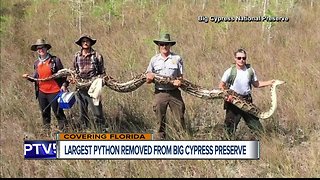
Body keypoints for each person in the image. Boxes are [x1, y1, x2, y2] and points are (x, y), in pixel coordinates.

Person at [219, 48, 275, 140]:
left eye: (244, 58)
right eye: (239, 58)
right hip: (233, 101)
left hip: (247, 102)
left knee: (257, 127)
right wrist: (227, 96)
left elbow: (256, 84)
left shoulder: (250, 71)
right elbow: (221, 85)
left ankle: (264, 143)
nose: (241, 60)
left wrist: (270, 82)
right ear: (235, 58)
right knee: (229, 129)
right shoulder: (229, 71)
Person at [146, 33, 186, 140]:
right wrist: (149, 78)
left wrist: (179, 81)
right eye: (162, 44)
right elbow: (148, 77)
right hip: (160, 93)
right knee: (160, 121)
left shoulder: (177, 58)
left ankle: (181, 141)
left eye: (166, 44)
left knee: (180, 119)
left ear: (170, 45)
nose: (164, 46)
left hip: (174, 93)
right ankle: (160, 145)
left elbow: (181, 76)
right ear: (159, 45)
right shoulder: (154, 60)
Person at [22, 39, 68, 133]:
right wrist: (28, 77)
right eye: (38, 48)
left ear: (46, 48)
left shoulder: (55, 60)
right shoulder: (36, 63)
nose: (40, 50)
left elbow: (64, 75)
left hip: (55, 91)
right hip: (41, 92)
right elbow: (36, 78)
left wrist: (64, 85)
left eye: (42, 47)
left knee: (58, 113)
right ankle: (46, 133)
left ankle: (64, 132)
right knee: (44, 113)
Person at [65, 34, 107, 132]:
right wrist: (72, 79)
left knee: (97, 112)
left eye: (87, 41)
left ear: (90, 43)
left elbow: (102, 73)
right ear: (80, 43)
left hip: (93, 87)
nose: (85, 43)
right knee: (82, 112)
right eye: (83, 41)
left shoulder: (97, 55)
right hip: (80, 88)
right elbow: (74, 70)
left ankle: (101, 132)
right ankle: (85, 132)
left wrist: (97, 81)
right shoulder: (77, 55)